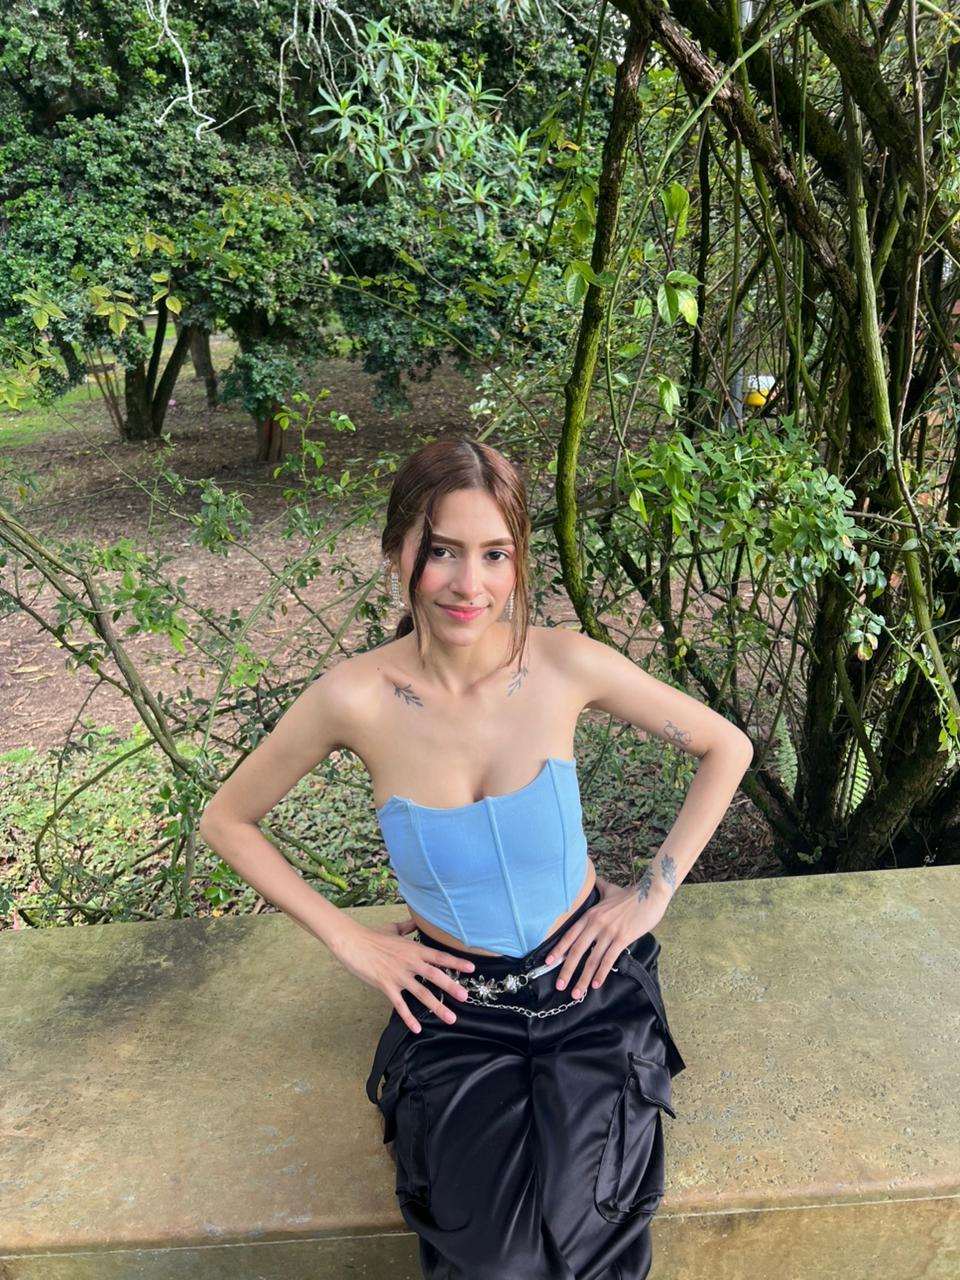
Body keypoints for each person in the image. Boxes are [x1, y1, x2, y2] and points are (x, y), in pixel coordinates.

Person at [199, 437, 754, 1279]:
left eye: (495, 553)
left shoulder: (564, 664)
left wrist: (652, 894)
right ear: (398, 553)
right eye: (442, 552)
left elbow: (726, 746)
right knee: (492, 1259)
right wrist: (350, 940)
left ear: (519, 558)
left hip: (585, 983)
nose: (470, 584)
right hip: (455, 1005)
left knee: (594, 1229)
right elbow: (227, 820)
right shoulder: (354, 698)